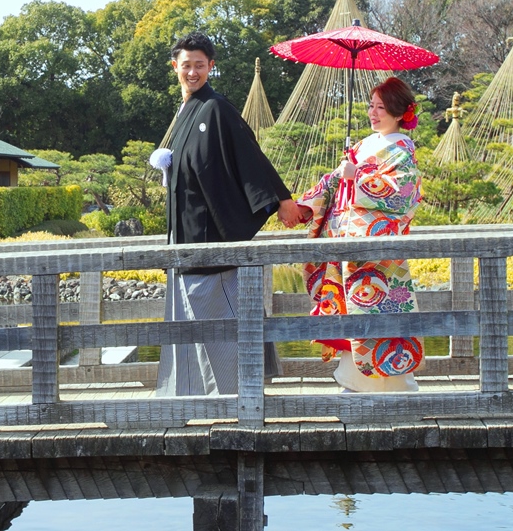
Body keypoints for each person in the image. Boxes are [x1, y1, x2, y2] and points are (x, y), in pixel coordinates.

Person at [154, 32, 302, 397]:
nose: (192, 72)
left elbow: (247, 155)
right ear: (175, 67)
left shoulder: (215, 108)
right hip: (184, 238)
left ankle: (239, 398)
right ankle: (197, 399)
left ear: (210, 67)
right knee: (192, 325)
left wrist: (280, 199)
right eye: (186, 65)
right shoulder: (186, 110)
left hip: (208, 238)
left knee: (219, 322)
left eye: (199, 66)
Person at [296, 76, 425, 393]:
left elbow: (402, 194)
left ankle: (394, 385)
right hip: (344, 243)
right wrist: (305, 205)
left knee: (377, 311)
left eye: (382, 107)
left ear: (399, 113)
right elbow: (335, 182)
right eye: (371, 105)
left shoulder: (401, 150)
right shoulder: (364, 144)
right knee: (346, 310)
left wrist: (361, 175)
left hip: (375, 251)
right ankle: (353, 380)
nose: (373, 112)